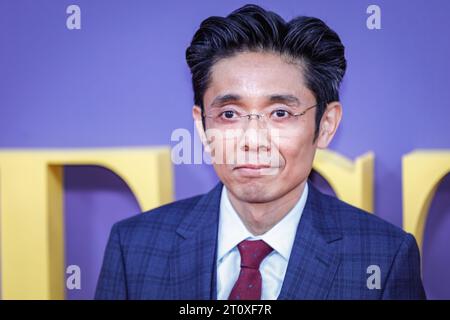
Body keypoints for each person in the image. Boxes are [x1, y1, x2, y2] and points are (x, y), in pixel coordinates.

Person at [95, 4, 426, 300]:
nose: (252, 140)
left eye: (280, 113)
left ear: (325, 125)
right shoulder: (134, 248)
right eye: (229, 114)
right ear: (201, 125)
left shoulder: (384, 257)